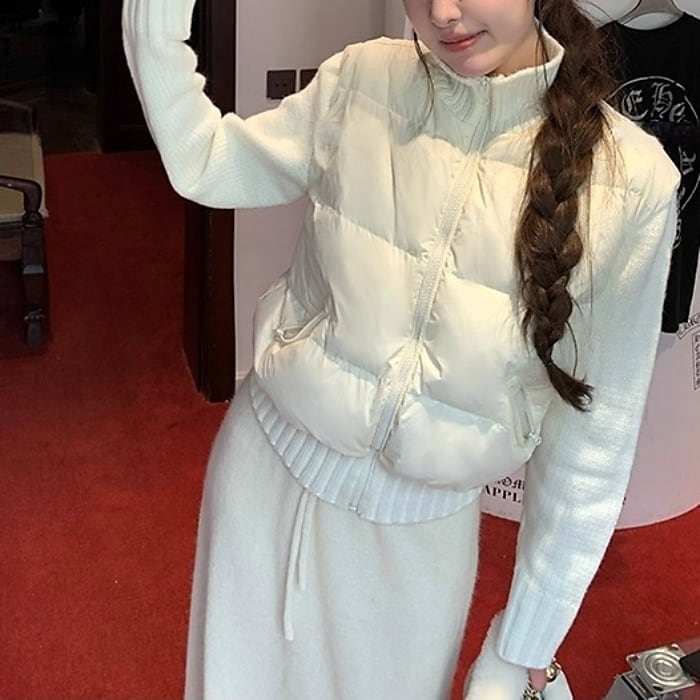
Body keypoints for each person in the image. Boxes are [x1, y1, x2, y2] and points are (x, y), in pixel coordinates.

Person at [122, 0, 680, 698]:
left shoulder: (631, 184)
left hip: (414, 551)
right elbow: (207, 161)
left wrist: (524, 644)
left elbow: (592, 447)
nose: (442, 13)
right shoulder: (363, 80)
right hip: (261, 479)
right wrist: (153, 23)